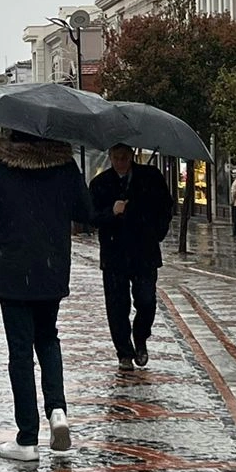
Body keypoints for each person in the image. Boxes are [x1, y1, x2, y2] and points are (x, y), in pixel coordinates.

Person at [0, 130, 93, 462]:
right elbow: (85, 212)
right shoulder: (64, 164)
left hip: (13, 270)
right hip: (52, 267)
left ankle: (27, 439)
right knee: (48, 338)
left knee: (20, 352)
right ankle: (58, 410)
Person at [91, 144, 175, 368]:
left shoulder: (150, 177)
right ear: (110, 157)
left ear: (132, 156)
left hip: (144, 252)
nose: (121, 162)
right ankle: (124, 353)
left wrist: (156, 232)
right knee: (117, 306)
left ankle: (140, 338)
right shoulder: (100, 183)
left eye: (125, 157)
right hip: (114, 254)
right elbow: (92, 217)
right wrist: (112, 212)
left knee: (146, 301)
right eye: (116, 158)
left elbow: (165, 207)